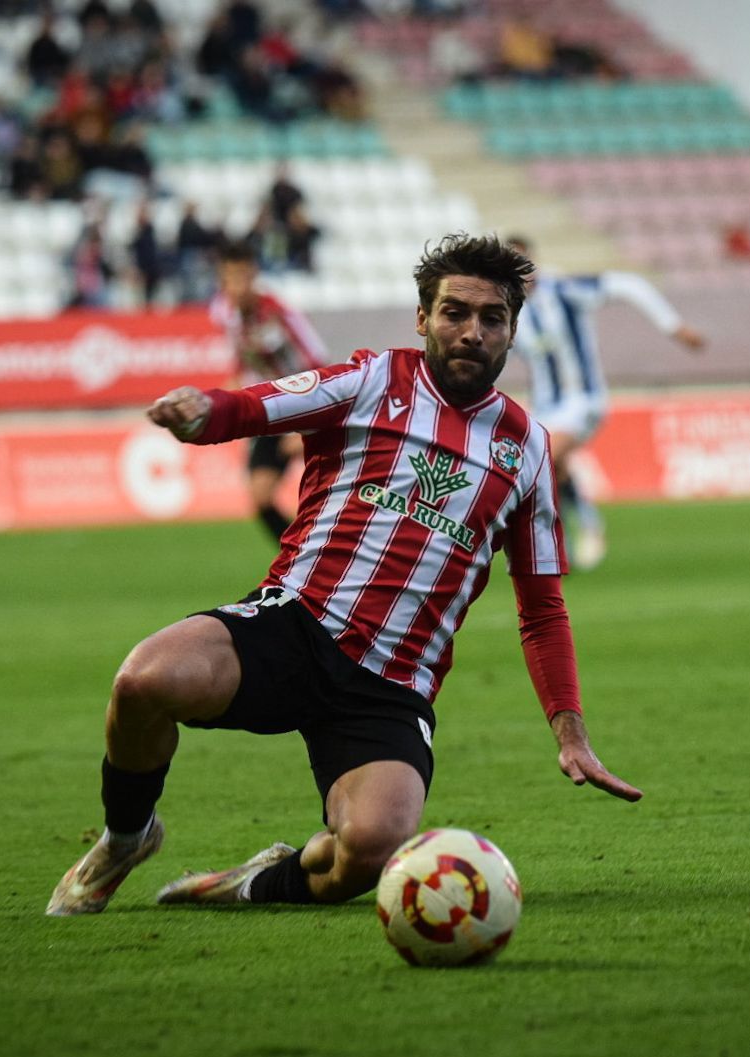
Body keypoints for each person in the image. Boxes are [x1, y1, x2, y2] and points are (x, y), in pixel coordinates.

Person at [47, 233, 642, 917]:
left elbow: (542, 608)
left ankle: (250, 882)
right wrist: (203, 412)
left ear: (513, 327)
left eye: (492, 317)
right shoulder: (370, 381)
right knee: (142, 680)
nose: (472, 331)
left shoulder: (528, 450)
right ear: (423, 318)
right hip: (295, 625)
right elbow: (257, 405)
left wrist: (570, 732)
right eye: (455, 312)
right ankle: (127, 836)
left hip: (393, 685)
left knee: (373, 847)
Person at [505, 235, 707, 569]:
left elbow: (629, 284)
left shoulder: (565, 290)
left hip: (583, 399)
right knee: (554, 467)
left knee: (543, 459)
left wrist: (674, 327)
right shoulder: (510, 309)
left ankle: (561, 538)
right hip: (544, 406)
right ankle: (580, 529)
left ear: (532, 261)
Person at [208, 239, 328, 541]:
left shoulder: (281, 315)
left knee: (328, 496)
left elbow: (318, 366)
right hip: (271, 410)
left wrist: (303, 424)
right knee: (260, 496)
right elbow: (243, 360)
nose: (236, 287)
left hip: (305, 409)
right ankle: (299, 556)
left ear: (254, 276)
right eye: (229, 279)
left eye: (242, 277)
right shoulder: (228, 315)